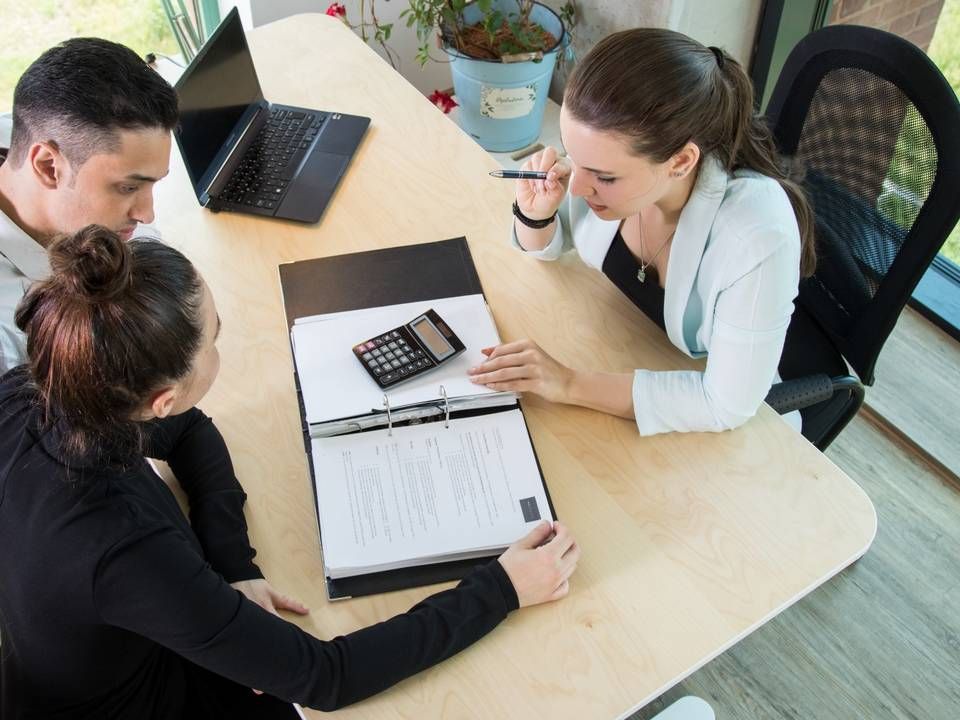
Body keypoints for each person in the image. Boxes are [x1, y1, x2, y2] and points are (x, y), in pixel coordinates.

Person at [0, 225, 580, 719]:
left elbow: (193, 430)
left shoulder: (40, 391)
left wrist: (234, 567)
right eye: (216, 337)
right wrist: (501, 589)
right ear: (160, 398)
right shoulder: (124, 551)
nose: (221, 344)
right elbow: (326, 677)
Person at [468, 28, 815, 436]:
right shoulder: (613, 165)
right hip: (625, 343)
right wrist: (536, 215)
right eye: (572, 155)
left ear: (681, 161)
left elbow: (726, 405)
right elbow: (549, 249)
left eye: (604, 176)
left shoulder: (757, 234)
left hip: (706, 421)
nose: (576, 186)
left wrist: (567, 382)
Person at [0, 37, 177, 374]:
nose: (147, 214)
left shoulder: (26, 131)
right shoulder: (8, 343)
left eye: (153, 183)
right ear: (48, 167)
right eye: (128, 187)